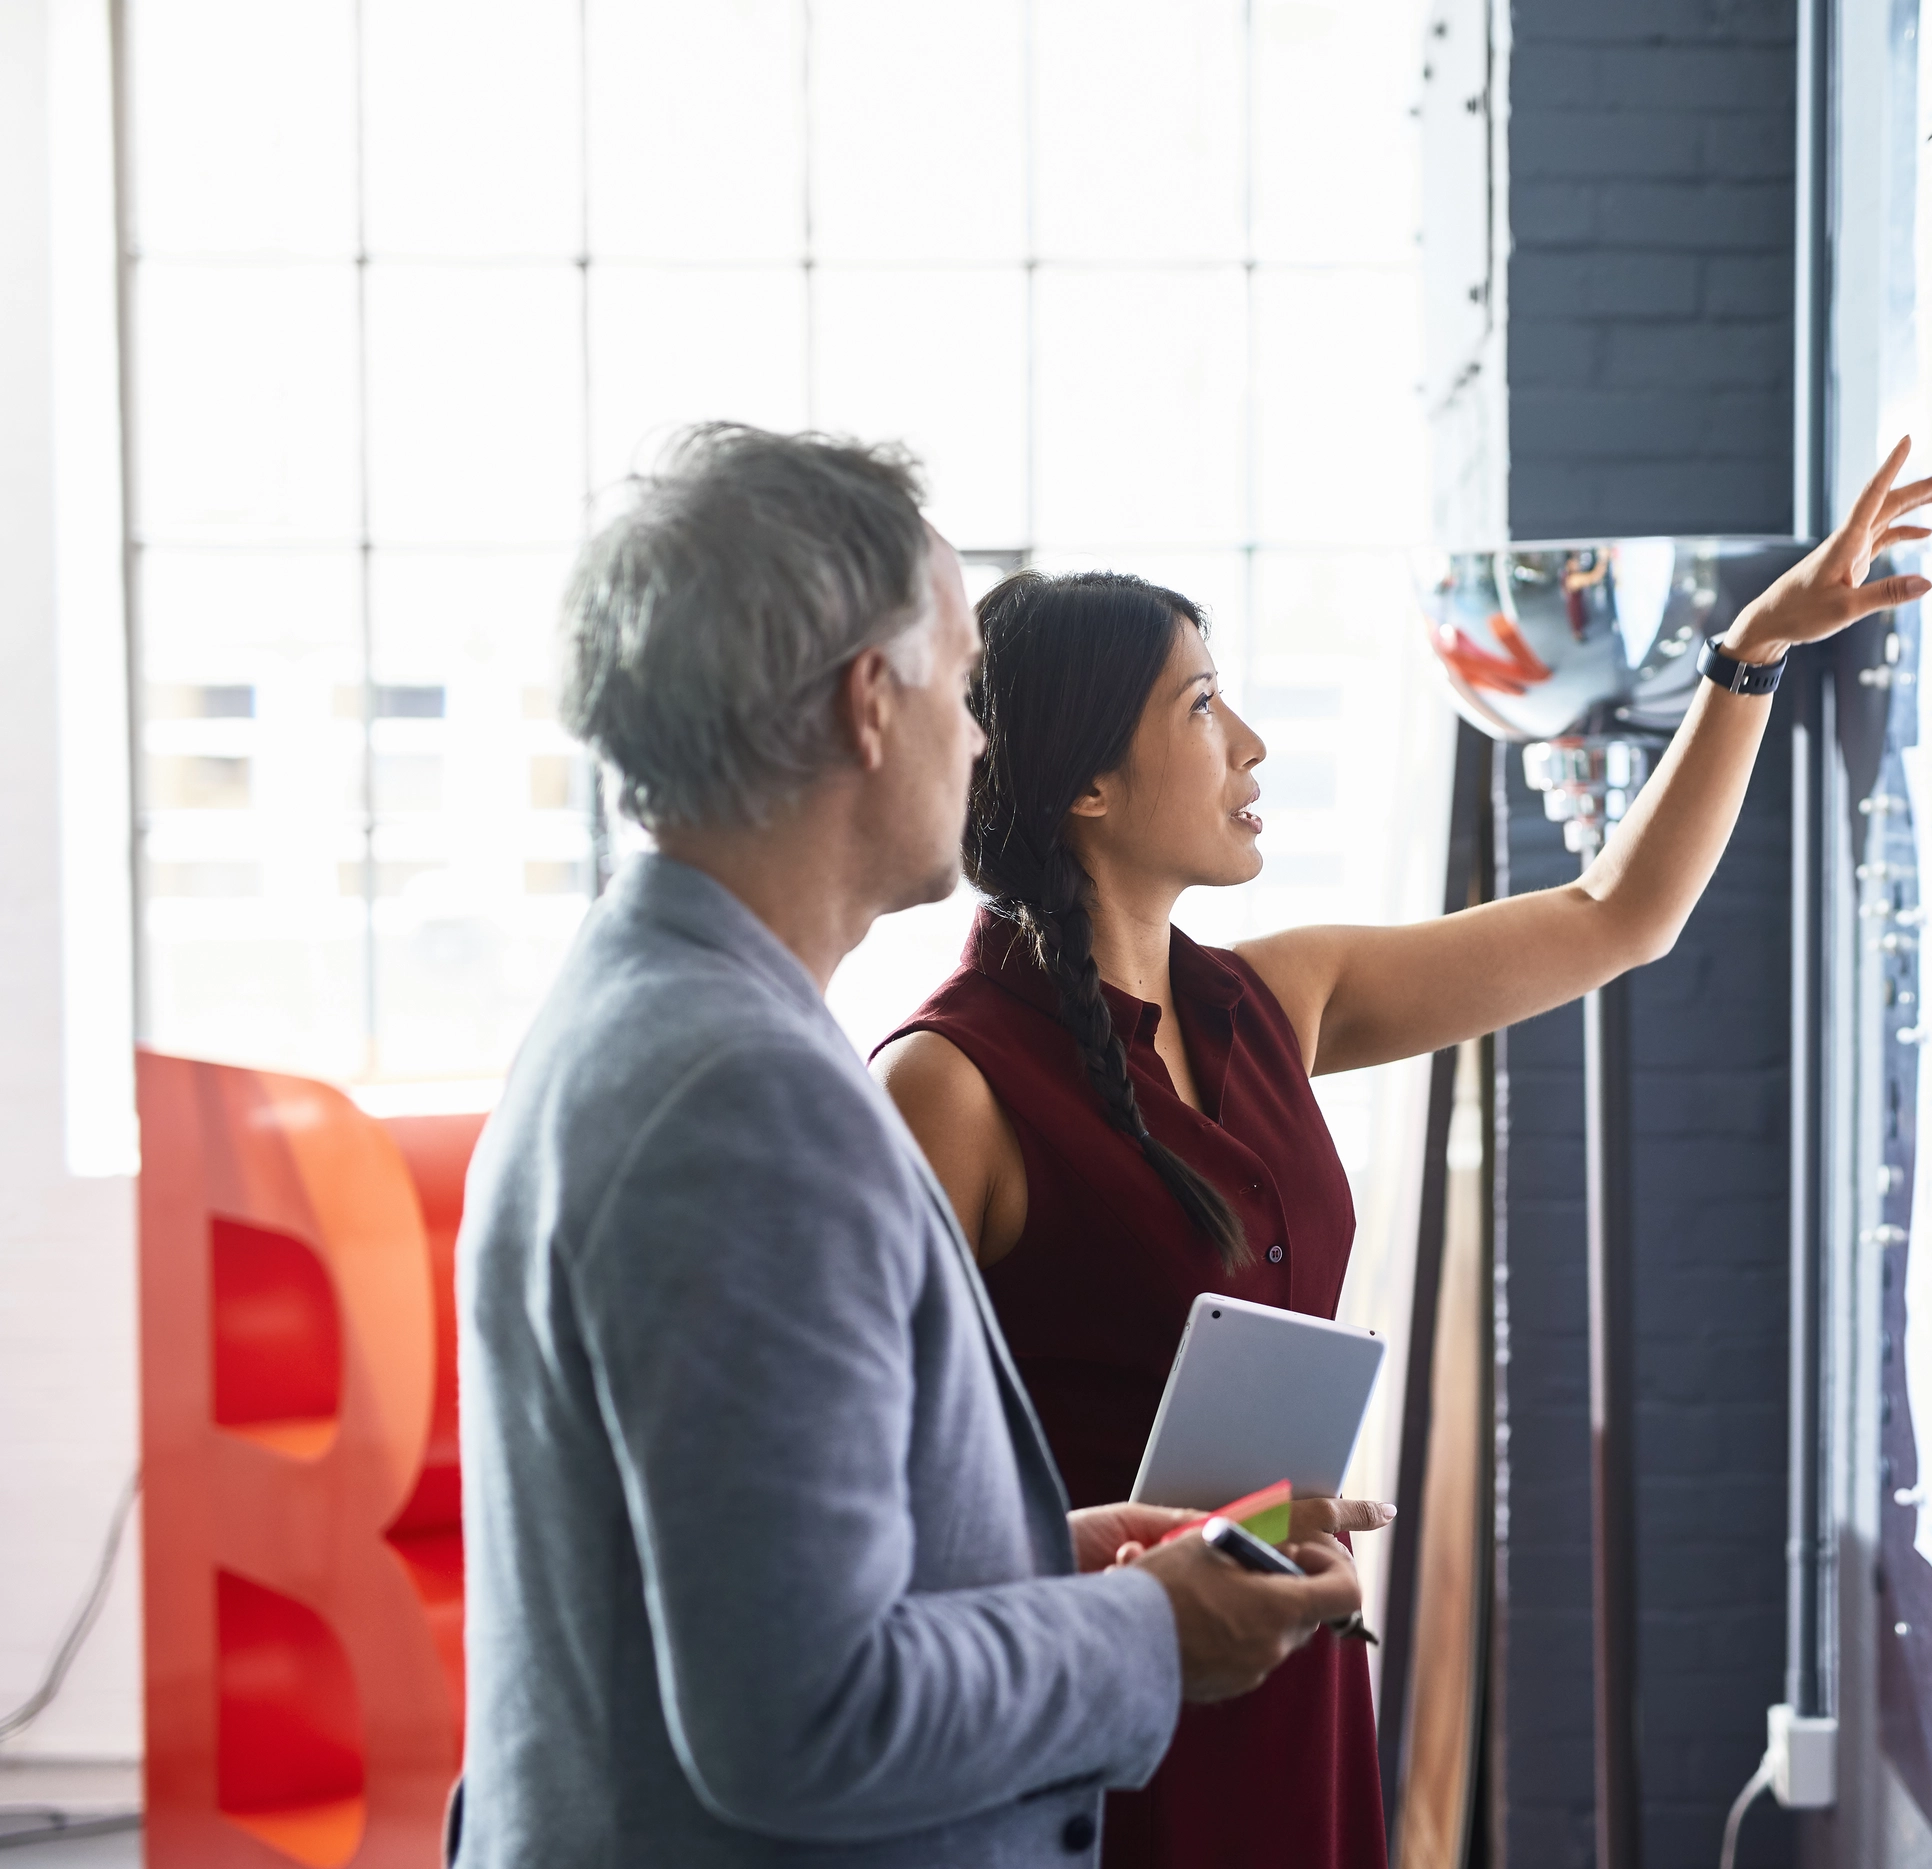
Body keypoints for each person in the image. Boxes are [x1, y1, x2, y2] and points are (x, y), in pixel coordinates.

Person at [874, 439, 1932, 1868]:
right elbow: (872, 1496)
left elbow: (1615, 916)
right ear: (1087, 788)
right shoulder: (946, 1086)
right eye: (1203, 708)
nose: (1250, 744)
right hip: (1109, 1691)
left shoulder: (1272, 998)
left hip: (1297, 1658)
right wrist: (1097, 1564)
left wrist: (1750, 654)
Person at [454, 425, 1362, 1869]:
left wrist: (1041, 1564)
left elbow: (748, 1589)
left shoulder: (669, 1006)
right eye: (963, 685)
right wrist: (1149, 1633)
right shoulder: (738, 1109)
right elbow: (797, 1719)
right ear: (872, 704)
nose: (987, 738)